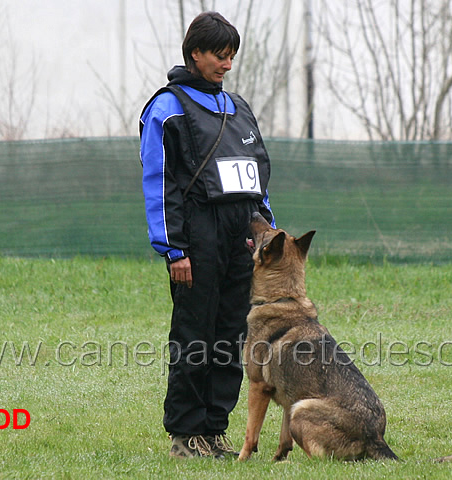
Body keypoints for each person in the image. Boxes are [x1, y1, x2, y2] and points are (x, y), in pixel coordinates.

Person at [139, 11, 275, 459]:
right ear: (195, 53)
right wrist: (173, 248)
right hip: (195, 238)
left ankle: (214, 429)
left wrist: (266, 229)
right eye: (220, 55)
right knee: (194, 334)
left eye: (231, 55)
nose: (228, 64)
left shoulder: (240, 109)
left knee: (231, 334)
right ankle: (185, 434)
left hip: (242, 239)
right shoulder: (167, 107)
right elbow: (159, 182)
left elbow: (256, 178)